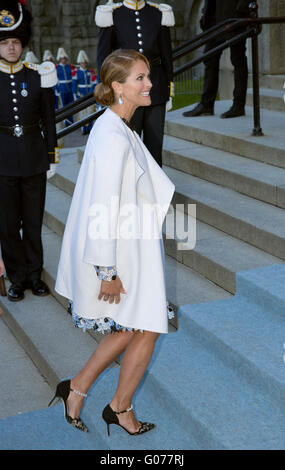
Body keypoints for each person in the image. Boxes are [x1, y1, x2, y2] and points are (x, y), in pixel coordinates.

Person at [52, 49, 175, 435]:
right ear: (118, 87)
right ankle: (119, 409)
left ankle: (77, 389)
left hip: (132, 246)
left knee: (132, 328)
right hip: (122, 252)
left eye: (148, 76)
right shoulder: (112, 136)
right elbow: (101, 205)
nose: (149, 83)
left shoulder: (118, 126)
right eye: (139, 78)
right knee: (147, 326)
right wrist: (107, 271)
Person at [0, 0, 59, 302]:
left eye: (15, 42)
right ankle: (17, 278)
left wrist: (51, 155)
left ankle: (35, 274)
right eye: (5, 42)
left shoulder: (38, 75)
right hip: (3, 162)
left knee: (33, 222)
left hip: (34, 159)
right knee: (9, 225)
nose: (11, 47)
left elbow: (49, 119)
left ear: (22, 44)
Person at [95, 0, 175, 167]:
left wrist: (169, 89)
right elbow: (103, 58)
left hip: (155, 87)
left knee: (154, 146)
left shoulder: (158, 13)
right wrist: (107, 90)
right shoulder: (112, 14)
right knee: (129, 144)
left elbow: (167, 55)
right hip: (126, 90)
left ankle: (154, 190)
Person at [183, 0, 251, 119]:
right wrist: (205, 14)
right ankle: (206, 104)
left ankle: (239, 105)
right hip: (213, 18)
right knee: (210, 59)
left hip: (235, 15)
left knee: (238, 59)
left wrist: (243, 9)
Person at [72, 50, 97, 135]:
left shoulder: (91, 72)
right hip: (81, 94)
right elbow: (74, 84)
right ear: (80, 63)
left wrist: (92, 92)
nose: (84, 64)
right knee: (82, 113)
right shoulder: (77, 73)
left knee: (90, 111)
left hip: (89, 94)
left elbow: (94, 83)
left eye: (85, 62)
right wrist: (75, 94)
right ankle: (84, 128)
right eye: (82, 62)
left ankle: (90, 127)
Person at [56, 47, 74, 126]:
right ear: (59, 59)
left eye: (64, 58)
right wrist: (56, 89)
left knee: (71, 105)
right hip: (62, 89)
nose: (63, 59)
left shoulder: (69, 66)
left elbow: (72, 78)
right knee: (64, 106)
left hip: (69, 88)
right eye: (62, 58)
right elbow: (55, 80)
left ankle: (71, 120)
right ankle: (66, 121)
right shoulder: (57, 68)